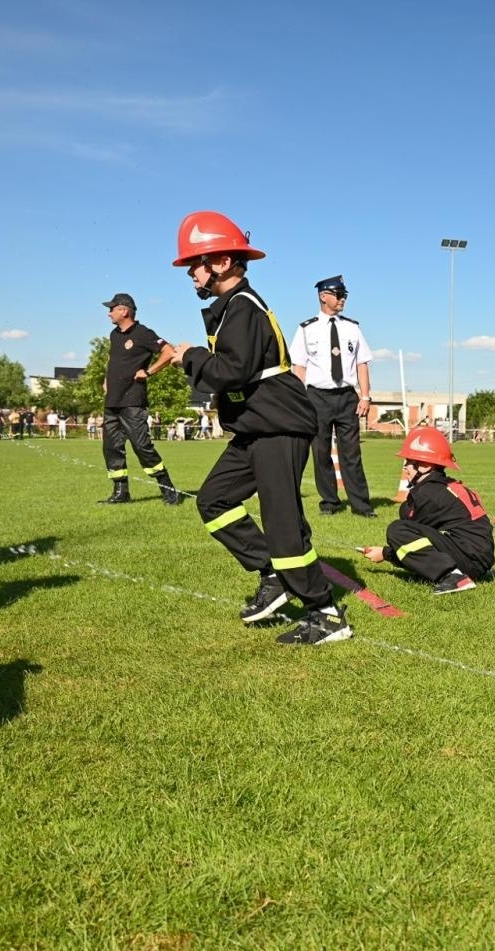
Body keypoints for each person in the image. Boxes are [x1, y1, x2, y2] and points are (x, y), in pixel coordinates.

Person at [169, 211, 350, 645]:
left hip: (279, 425)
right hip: (256, 427)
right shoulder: (231, 307)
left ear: (222, 262)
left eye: (195, 263)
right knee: (214, 500)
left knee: (283, 522)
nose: (190, 272)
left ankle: (326, 614)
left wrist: (189, 356)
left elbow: (231, 370)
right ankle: (272, 573)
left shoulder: (242, 307)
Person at [359, 426, 494, 594]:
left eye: (409, 461)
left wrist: (386, 554)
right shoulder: (444, 487)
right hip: (478, 556)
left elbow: (407, 539)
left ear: (425, 465)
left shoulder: (427, 494)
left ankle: (453, 577)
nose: (405, 467)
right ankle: (457, 572)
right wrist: (384, 553)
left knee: (397, 530)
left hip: (469, 559)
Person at [287, 275, 377, 518]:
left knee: (352, 453)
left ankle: (361, 505)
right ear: (323, 296)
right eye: (338, 295)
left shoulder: (352, 328)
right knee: (321, 452)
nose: (342, 299)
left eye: (344, 295)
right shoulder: (306, 329)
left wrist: (365, 396)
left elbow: (362, 363)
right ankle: (329, 502)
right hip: (317, 397)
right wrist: (299, 399)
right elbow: (299, 367)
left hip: (347, 397)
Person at [99, 293, 183, 506]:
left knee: (141, 446)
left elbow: (168, 352)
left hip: (133, 401)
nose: (109, 313)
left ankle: (168, 490)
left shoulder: (143, 333)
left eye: (112, 309)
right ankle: (121, 492)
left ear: (124, 311)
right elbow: (111, 358)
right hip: (112, 400)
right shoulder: (114, 335)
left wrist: (149, 371)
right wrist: (106, 380)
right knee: (111, 447)